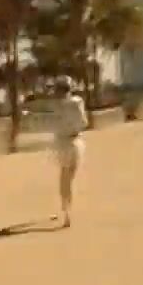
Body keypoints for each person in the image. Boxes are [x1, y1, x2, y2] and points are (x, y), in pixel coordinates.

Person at [51, 76, 88, 228]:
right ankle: (67, 210)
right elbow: (84, 122)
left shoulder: (57, 105)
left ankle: (66, 211)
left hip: (62, 143)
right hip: (76, 141)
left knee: (64, 177)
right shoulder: (77, 102)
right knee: (70, 178)